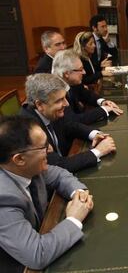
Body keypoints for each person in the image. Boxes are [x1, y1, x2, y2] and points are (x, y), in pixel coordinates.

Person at [0, 115, 93, 271]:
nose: (50, 149)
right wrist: (75, 219)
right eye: (43, 147)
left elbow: (58, 175)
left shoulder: (27, 167)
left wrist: (78, 193)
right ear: (19, 159)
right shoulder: (3, 200)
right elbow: (37, 254)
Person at [20, 73, 116, 172]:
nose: (66, 104)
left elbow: (70, 125)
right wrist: (98, 151)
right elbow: (58, 166)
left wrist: (94, 134)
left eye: (65, 98)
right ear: (39, 104)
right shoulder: (28, 130)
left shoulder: (49, 112)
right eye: (60, 100)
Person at [52, 49, 123, 125]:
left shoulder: (72, 81)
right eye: (80, 69)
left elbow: (86, 94)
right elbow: (74, 120)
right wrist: (104, 110)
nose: (84, 72)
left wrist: (103, 102)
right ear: (66, 73)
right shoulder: (56, 92)